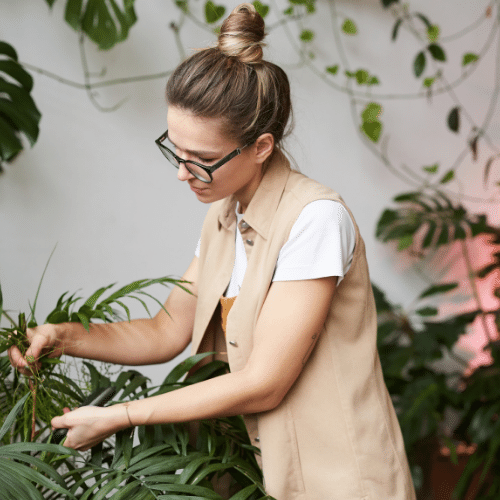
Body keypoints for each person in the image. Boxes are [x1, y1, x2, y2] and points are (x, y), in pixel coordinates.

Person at [8, 4, 416, 499]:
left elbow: (266, 381)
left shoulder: (315, 220)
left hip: (339, 482)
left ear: (261, 147)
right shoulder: (225, 216)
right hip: (253, 475)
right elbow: (167, 329)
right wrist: (63, 337)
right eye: (175, 151)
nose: (182, 173)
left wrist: (120, 417)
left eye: (201, 160)